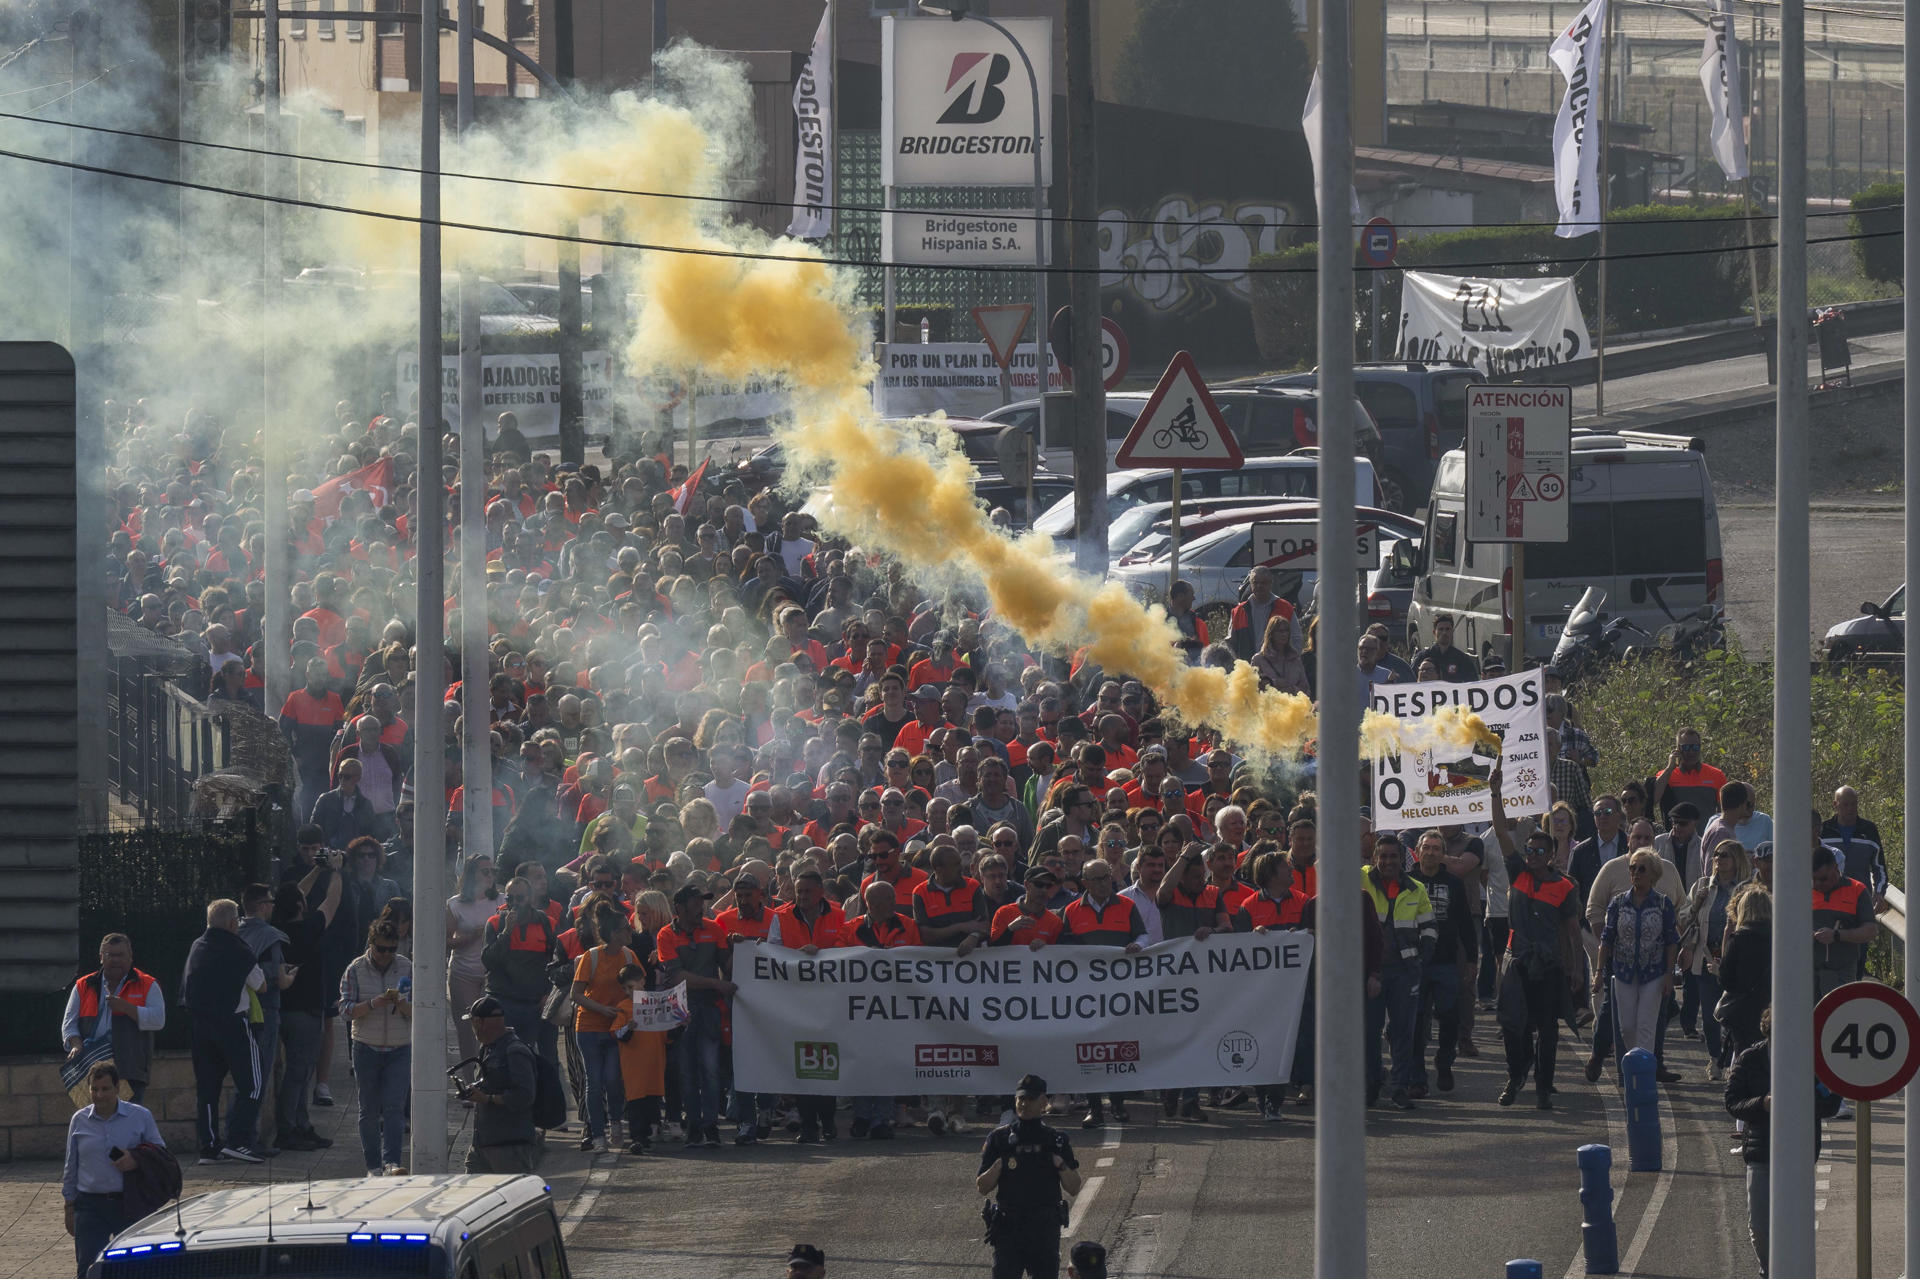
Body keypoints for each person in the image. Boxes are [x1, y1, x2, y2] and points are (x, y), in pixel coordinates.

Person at [1489, 770, 1582, 1110]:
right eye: (1529, 849)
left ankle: (1543, 1087)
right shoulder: (1518, 873)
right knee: (1512, 1024)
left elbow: (1571, 932)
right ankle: (1517, 1072)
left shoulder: (1565, 886)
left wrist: (1576, 971)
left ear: (1552, 854)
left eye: (1539, 851)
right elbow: (1501, 831)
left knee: (1547, 1029)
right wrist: (1495, 793)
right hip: (1517, 962)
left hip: (1550, 965)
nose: (1531, 855)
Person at [1725, 1006, 1842, 1277]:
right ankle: (1770, 1270)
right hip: (1761, 1150)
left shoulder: (1812, 1060)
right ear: (1768, 1033)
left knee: (1795, 1224)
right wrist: (1762, 1104)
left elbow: (1831, 1103)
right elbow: (1732, 1102)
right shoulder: (1750, 1059)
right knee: (1760, 1226)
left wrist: (1800, 1100)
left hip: (1798, 1153)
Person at [180, 899, 268, 1163]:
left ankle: (208, 1147)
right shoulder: (239, 949)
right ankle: (239, 1142)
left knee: (207, 1088)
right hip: (233, 1024)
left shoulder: (197, 946)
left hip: (200, 1025)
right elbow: (260, 985)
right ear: (233, 923)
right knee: (253, 1084)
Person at [63, 1064, 163, 1279]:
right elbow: (71, 1166)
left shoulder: (140, 1116)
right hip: (90, 1206)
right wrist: (69, 1206)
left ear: (118, 1088)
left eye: (105, 1089)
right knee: (88, 1268)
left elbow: (161, 1154)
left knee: (137, 1268)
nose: (99, 1095)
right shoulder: (79, 1120)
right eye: (94, 1089)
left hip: (130, 1203)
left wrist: (135, 1159)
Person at [978, 1073, 1082, 1279]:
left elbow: (1074, 1187)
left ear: (1044, 1102)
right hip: (1009, 1228)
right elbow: (982, 1186)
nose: (1024, 1104)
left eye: (1031, 1099)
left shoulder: (1056, 1140)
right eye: (1021, 1098)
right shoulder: (999, 1138)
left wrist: (1060, 1164)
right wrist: (998, 1166)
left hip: (1043, 1229)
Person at [1361, 834, 1436, 1110]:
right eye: (1383, 856)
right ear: (1374, 857)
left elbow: (1429, 927)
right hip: (1370, 971)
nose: (1388, 861)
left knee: (1404, 1031)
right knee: (1369, 1032)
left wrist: (1420, 959)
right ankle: (1370, 1086)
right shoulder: (1361, 879)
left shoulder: (1416, 889)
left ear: (1402, 859)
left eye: (1393, 856)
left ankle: (1399, 1087)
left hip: (1405, 972)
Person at [657, 883, 736, 1150]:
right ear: (679, 908)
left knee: (711, 1070)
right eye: (695, 901)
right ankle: (693, 1126)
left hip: (711, 1010)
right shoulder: (666, 935)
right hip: (682, 1011)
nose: (700, 905)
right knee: (687, 1072)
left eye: (702, 901)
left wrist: (743, 950)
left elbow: (727, 964)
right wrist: (716, 984)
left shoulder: (714, 929)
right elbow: (677, 977)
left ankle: (710, 1126)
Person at [1407, 828, 1477, 1095]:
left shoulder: (1454, 884)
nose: (1432, 853)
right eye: (1427, 848)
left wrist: (1472, 959)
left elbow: (1465, 925)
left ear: (1443, 853)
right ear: (1418, 850)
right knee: (1416, 1020)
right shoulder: (1407, 881)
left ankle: (1445, 1062)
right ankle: (1416, 1076)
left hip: (1446, 962)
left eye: (1437, 848)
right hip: (1414, 962)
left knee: (1449, 1017)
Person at [340, 920, 412, 1175]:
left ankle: (391, 1162)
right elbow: (345, 1010)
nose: (386, 955)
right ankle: (373, 1166)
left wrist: (401, 1003)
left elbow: (417, 1011)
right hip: (366, 1047)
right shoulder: (355, 969)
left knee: (394, 1108)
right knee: (368, 1109)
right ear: (371, 945)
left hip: (399, 1046)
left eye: (392, 949)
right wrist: (373, 1003)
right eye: (382, 949)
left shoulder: (406, 967)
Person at [1594, 849, 1680, 1061]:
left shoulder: (1663, 904)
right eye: (1632, 868)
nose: (1636, 872)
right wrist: (1598, 972)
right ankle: (1634, 1064)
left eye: (1642, 868)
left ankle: (1644, 1073)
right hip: (1623, 972)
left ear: (1653, 874)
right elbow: (1606, 939)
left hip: (1654, 973)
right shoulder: (1618, 903)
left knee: (1646, 1025)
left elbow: (1671, 941)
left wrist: (1669, 973)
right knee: (1627, 1028)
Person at [62, 934, 166, 1105]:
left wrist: (127, 1008)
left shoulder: (147, 984)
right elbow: (69, 1023)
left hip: (130, 1069)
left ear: (130, 957)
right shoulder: (83, 984)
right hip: (92, 1071)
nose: (116, 960)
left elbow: (158, 1020)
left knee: (129, 1124)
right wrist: (75, 1044)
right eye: (110, 955)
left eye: (121, 955)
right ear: (101, 957)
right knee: (95, 1124)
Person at [1679, 842, 1750, 1080]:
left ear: (1737, 859)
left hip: (1735, 962)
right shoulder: (1702, 886)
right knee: (1710, 1016)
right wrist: (1697, 903)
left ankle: (1731, 1061)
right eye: (1716, 854)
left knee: (1733, 1015)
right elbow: (1683, 919)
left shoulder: (1746, 889)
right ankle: (1714, 1057)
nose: (1719, 859)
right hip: (1705, 959)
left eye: (1725, 855)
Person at [570, 905, 638, 1154]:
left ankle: (616, 1122)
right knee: (594, 1081)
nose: (630, 931)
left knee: (613, 1078)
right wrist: (601, 1009)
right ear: (613, 933)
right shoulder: (592, 957)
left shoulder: (629, 956)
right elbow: (576, 994)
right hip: (588, 1026)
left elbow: (640, 987)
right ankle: (598, 1134)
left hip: (615, 1027)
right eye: (625, 929)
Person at [463, 996, 540, 1173]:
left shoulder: (515, 1051)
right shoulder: (487, 1049)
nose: (472, 1028)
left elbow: (525, 1096)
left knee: (514, 1199)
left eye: (473, 1022)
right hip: (482, 1145)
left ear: (481, 1023)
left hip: (509, 1147)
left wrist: (487, 1098)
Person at [609, 962, 668, 1155]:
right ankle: (637, 1137)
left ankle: (650, 1133)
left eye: (631, 987)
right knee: (636, 1102)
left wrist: (682, 1022)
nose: (628, 991)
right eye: (625, 988)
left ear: (642, 981)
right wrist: (629, 1027)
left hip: (653, 1062)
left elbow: (669, 1034)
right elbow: (617, 1034)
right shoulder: (624, 1007)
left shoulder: (654, 1002)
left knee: (652, 1100)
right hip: (634, 1065)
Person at [1812, 845, 1877, 1000]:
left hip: (1843, 972)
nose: (1818, 884)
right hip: (1807, 972)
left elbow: (1870, 930)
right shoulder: (1801, 890)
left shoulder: (1857, 890)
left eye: (1823, 879)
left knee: (1838, 1017)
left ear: (1835, 868)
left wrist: (1837, 935)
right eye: (1813, 879)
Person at [1647, 727, 1728, 827]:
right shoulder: (1666, 775)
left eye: (1695, 747)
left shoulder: (1716, 775)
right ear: (1677, 749)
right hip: (1673, 838)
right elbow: (1652, 800)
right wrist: (1670, 768)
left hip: (1705, 838)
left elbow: (1725, 812)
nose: (1691, 752)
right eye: (1686, 747)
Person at [1411, 613, 1478, 682]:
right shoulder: (1422, 657)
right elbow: (1410, 680)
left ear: (1452, 632)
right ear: (1434, 632)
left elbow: (1473, 683)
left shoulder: (1462, 659)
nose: (1444, 633)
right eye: (1441, 629)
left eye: (1447, 629)